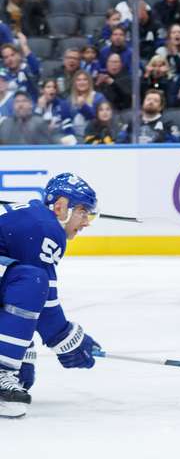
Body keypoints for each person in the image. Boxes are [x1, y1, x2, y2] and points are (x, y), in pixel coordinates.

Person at [0, 173, 101, 417]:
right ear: (60, 206)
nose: (86, 222)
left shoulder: (32, 218)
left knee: (22, 364)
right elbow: (43, 297)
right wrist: (69, 341)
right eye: (83, 212)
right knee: (32, 281)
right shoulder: (46, 228)